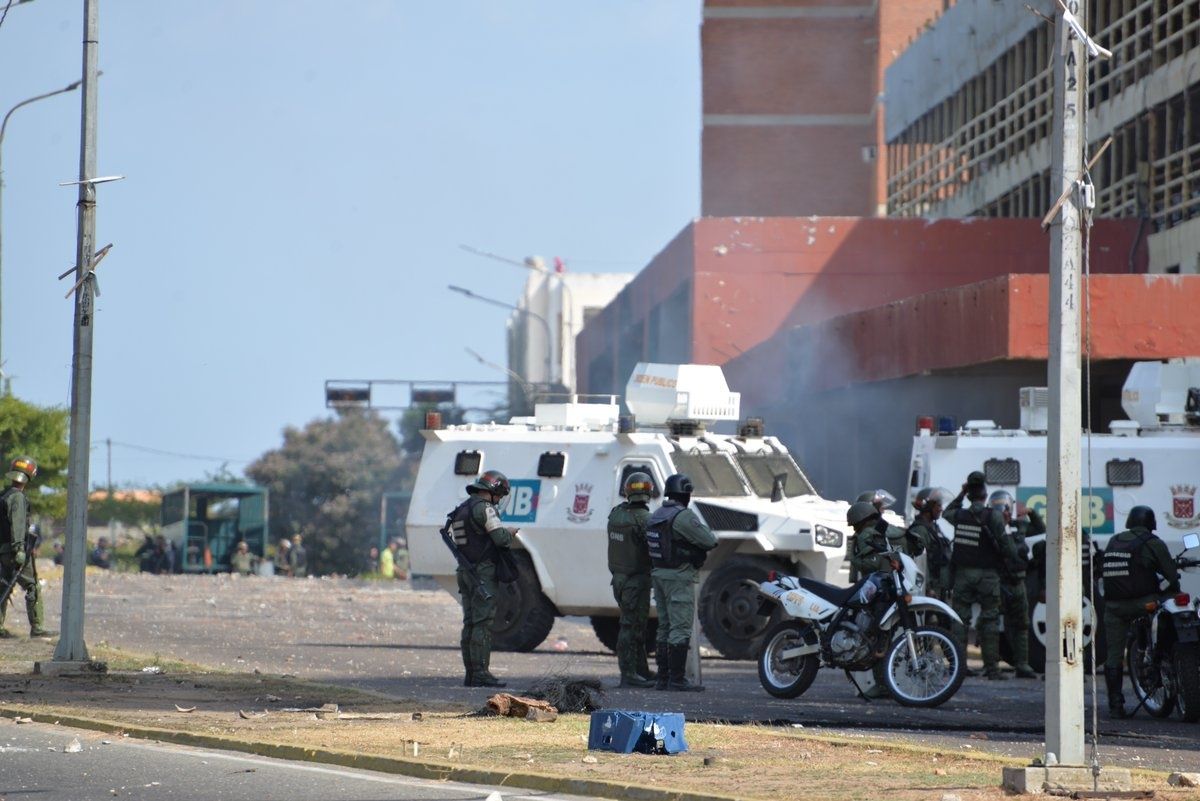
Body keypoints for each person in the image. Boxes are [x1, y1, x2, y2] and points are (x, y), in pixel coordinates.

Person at [1101, 505, 1179, 719]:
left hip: (1114, 606)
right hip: (1144, 604)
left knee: (1114, 656)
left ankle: (1115, 706)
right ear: (1150, 523)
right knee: (1173, 604)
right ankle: (1163, 656)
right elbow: (1171, 575)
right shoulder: (1152, 543)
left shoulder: (1114, 540)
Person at [646, 473, 717, 692]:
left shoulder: (656, 514)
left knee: (664, 626)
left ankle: (663, 678)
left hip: (659, 576)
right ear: (685, 493)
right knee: (680, 628)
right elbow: (709, 540)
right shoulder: (683, 516)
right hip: (679, 577)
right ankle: (677, 679)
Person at [945, 471, 1018, 680]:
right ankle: (992, 669)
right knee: (989, 620)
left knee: (960, 620)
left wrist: (961, 494)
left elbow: (946, 512)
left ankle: (958, 665)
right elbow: (1008, 549)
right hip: (988, 576)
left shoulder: (959, 515)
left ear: (969, 494)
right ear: (985, 495)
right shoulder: (992, 516)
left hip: (963, 575)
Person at [447, 469, 517, 687]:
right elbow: (500, 539)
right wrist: (510, 533)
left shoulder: (461, 510)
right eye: (500, 496)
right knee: (482, 624)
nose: (500, 500)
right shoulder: (484, 509)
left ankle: (471, 673)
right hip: (482, 574)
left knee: (469, 623)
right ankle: (480, 673)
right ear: (493, 492)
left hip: (464, 572)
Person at [606, 471, 656, 688]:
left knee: (635, 625)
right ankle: (629, 674)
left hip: (619, 579)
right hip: (637, 579)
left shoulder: (615, 514)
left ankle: (640, 670)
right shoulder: (644, 519)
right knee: (631, 626)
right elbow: (653, 547)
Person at [0, 461, 54, 639]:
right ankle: (37, 627)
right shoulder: (17, 498)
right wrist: (19, 549)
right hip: (15, 551)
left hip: (2, 550)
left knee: (3, 586)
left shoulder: (4, 495)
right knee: (32, 586)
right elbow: (18, 525)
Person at [988, 491, 1038, 678]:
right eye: (1001, 510)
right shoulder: (991, 529)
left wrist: (1031, 512)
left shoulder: (1019, 527)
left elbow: (1040, 528)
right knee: (992, 624)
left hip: (1018, 583)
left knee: (1022, 625)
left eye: (1007, 510)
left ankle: (1022, 665)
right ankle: (992, 666)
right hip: (1000, 582)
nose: (1005, 514)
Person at [908, 487, 953, 600]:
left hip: (940, 588)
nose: (941, 509)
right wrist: (927, 588)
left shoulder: (934, 528)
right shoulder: (919, 530)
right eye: (938, 505)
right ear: (928, 506)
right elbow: (918, 562)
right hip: (930, 590)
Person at [848, 489, 898, 582]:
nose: (883, 511)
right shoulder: (867, 533)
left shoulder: (873, 530)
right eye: (880, 508)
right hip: (870, 583)